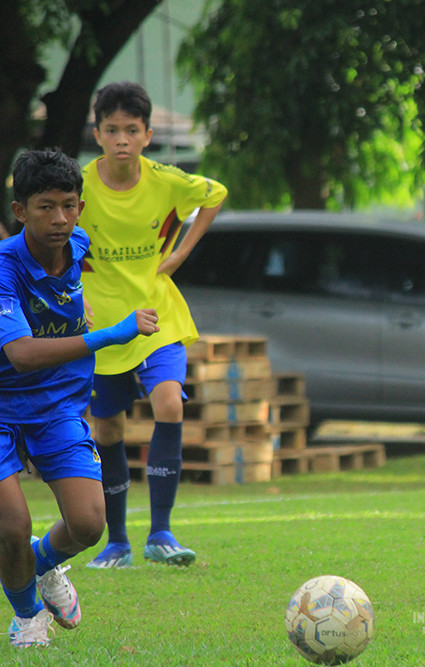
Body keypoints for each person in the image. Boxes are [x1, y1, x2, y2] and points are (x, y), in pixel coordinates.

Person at [1, 149, 159, 647]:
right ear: (20, 210)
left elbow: (70, 288)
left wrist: (82, 305)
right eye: (46, 207)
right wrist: (111, 334)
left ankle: (38, 564)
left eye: (69, 205)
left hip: (56, 406)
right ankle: (27, 618)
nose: (60, 219)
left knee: (90, 524)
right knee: (11, 525)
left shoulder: (78, 242)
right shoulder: (4, 269)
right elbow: (22, 354)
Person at [77, 82, 228, 569]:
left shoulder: (165, 180)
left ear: (147, 135)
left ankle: (161, 532)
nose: (122, 138)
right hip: (102, 325)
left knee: (168, 402)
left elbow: (216, 194)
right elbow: (49, 238)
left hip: (158, 315)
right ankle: (117, 541)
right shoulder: (78, 187)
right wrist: (72, 300)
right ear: (97, 134)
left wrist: (182, 251)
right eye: (112, 129)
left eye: (132, 130)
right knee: (107, 429)